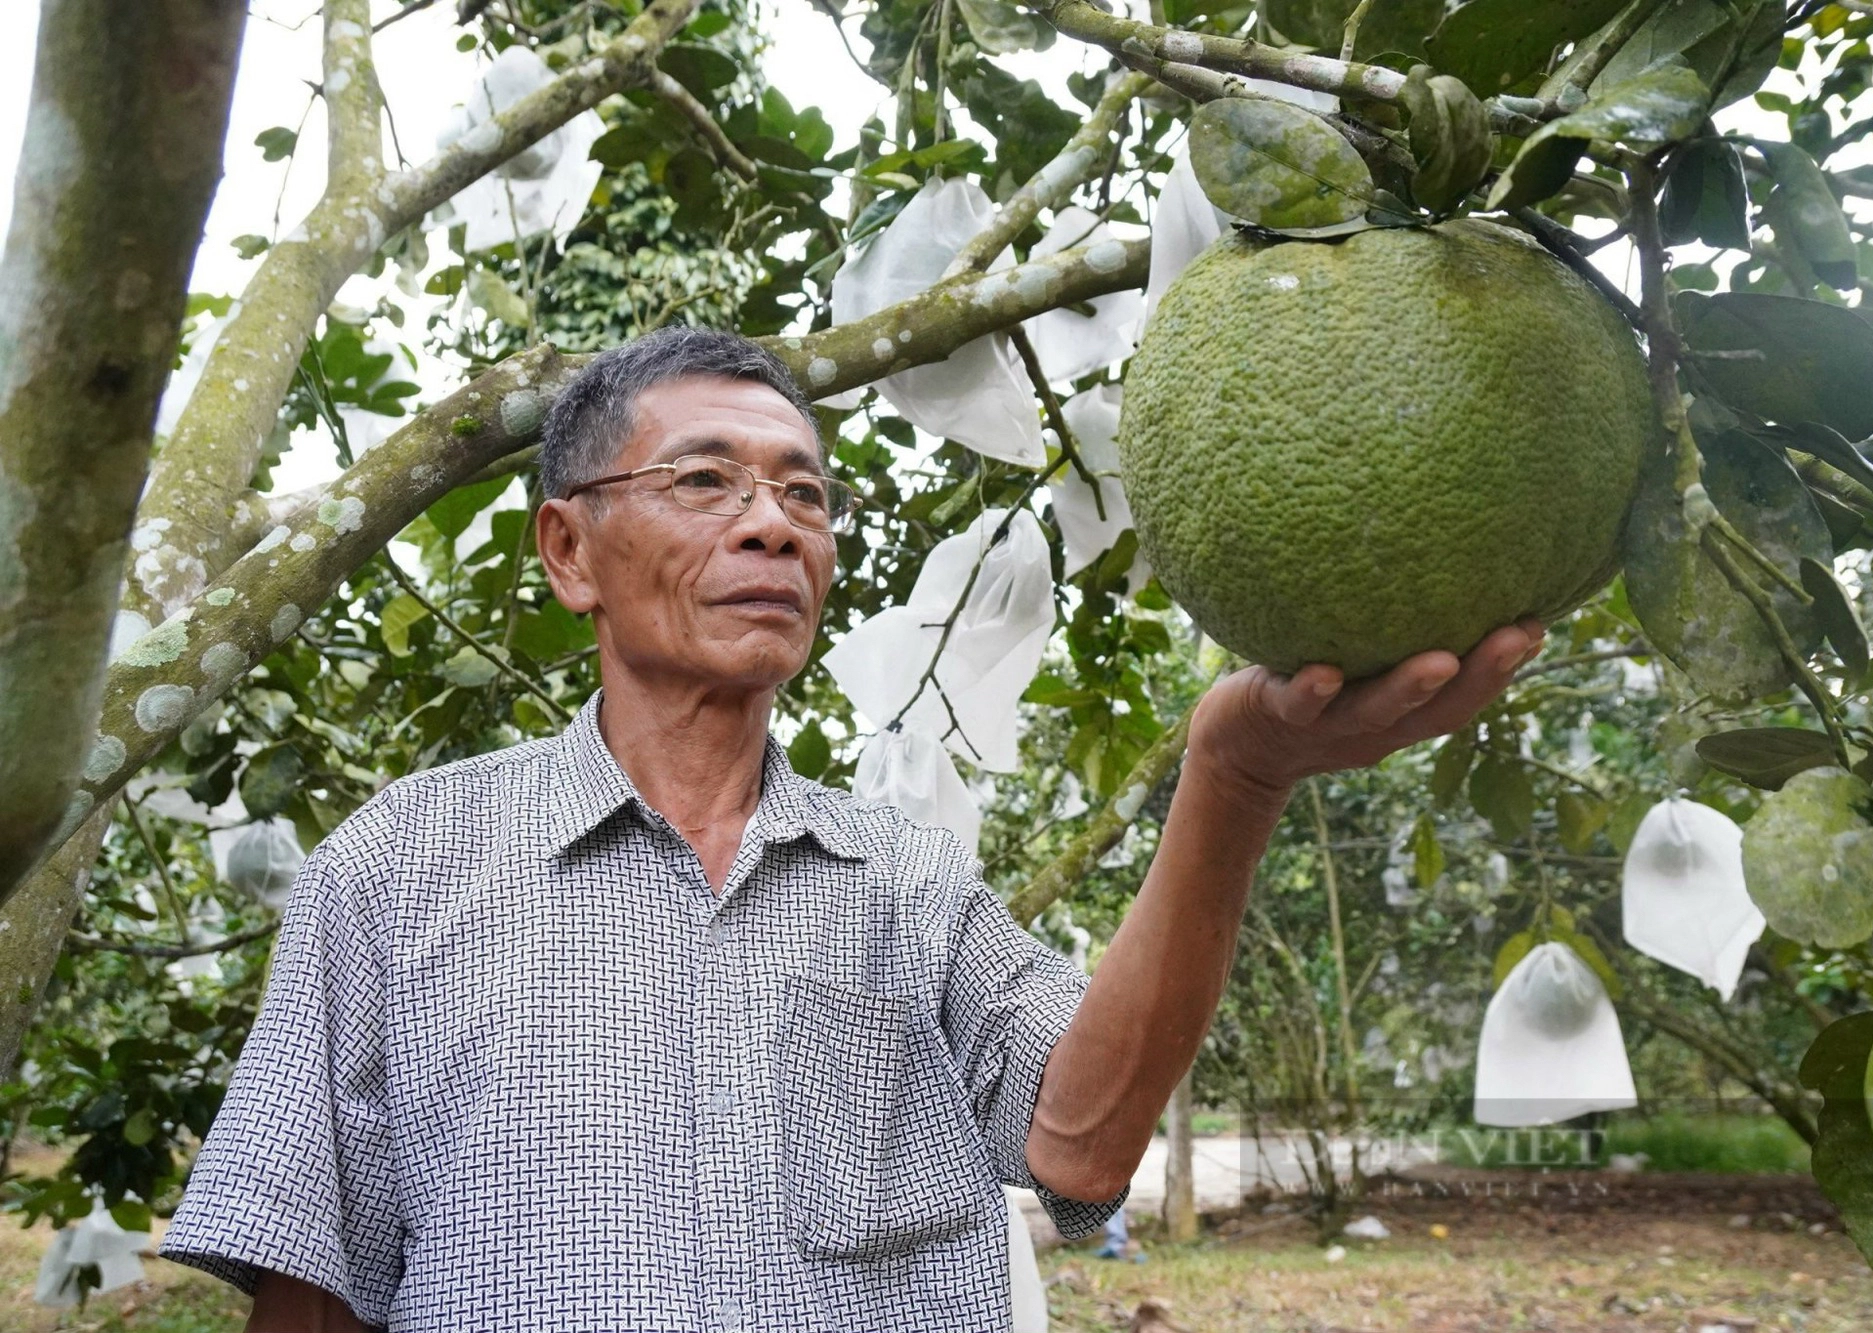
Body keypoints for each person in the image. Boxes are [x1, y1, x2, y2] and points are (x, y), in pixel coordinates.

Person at [157, 327, 1541, 1332]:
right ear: (570, 552)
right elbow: (312, 1285)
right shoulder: (402, 865)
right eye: (706, 482)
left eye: (805, 494)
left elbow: (1082, 1148)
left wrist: (1233, 778)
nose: (774, 527)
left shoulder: (905, 877)